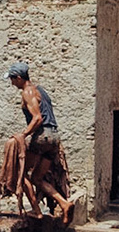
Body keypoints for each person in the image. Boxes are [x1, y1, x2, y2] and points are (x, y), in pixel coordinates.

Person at [7, 61, 73, 221]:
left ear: (18, 77)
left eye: (12, 79)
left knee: (20, 174)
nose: (11, 83)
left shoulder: (27, 92)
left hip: (42, 137)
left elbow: (37, 118)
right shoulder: (40, 90)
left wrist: (23, 134)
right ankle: (64, 204)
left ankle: (36, 212)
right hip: (53, 137)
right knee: (37, 178)